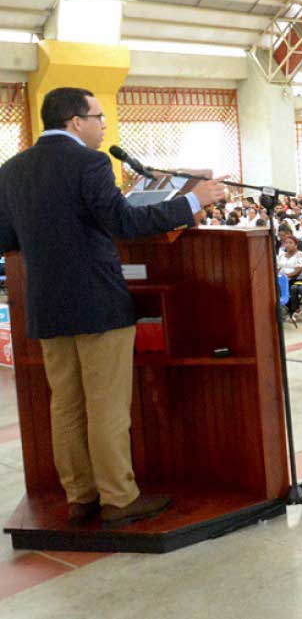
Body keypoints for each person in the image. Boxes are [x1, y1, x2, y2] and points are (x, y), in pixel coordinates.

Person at [0, 87, 226, 526]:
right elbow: (124, 222)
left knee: (65, 405)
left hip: (46, 304)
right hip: (97, 301)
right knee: (106, 405)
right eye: (98, 117)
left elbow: (4, 238)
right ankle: (119, 498)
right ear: (74, 121)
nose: (104, 125)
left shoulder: (13, 169)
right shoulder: (90, 163)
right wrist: (193, 201)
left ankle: (80, 497)